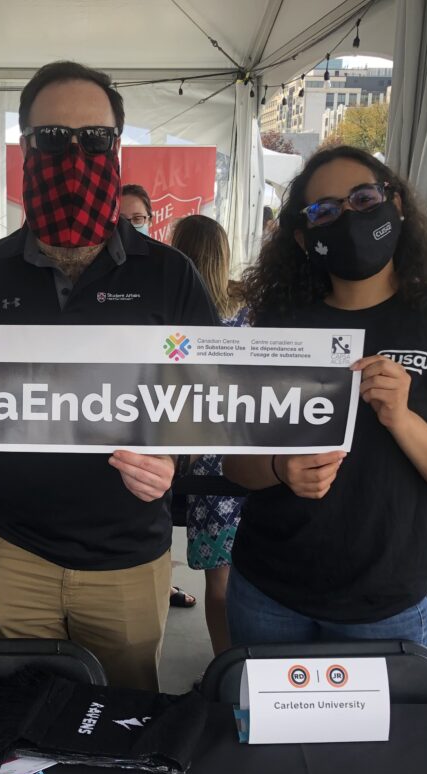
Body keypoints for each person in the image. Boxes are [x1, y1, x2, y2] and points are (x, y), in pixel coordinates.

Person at [0, 61, 218, 690]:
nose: (76, 154)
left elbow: (210, 402)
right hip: (13, 552)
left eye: (94, 140)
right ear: (26, 149)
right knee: (10, 728)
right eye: (54, 139)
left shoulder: (169, 276)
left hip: (129, 560)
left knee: (117, 729)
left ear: (116, 149)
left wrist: (177, 457)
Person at [222, 145, 427, 648]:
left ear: (394, 202)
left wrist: (403, 418)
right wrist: (279, 469)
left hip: (387, 605)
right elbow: (234, 464)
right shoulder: (278, 324)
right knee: (261, 730)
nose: (349, 216)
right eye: (326, 210)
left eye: (363, 198)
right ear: (303, 236)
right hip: (269, 591)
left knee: (384, 734)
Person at [170, 214, 248, 655]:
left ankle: (226, 667)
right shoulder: (250, 308)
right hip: (254, 450)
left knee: (218, 582)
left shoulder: (175, 309)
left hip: (202, 457)